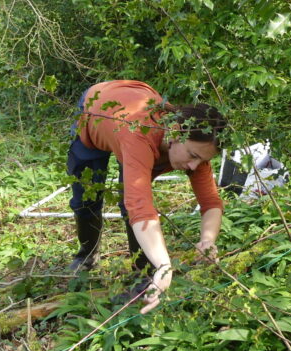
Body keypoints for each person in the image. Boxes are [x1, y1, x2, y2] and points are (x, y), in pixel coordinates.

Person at [66, 79, 225, 314]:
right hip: (97, 108)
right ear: (174, 132)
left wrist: (208, 240)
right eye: (192, 156)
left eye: (201, 160)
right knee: (86, 198)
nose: (194, 166)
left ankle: (142, 274)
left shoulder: (197, 146)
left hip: (133, 109)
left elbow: (211, 202)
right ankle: (87, 255)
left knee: (127, 200)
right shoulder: (138, 137)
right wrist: (164, 265)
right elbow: (139, 206)